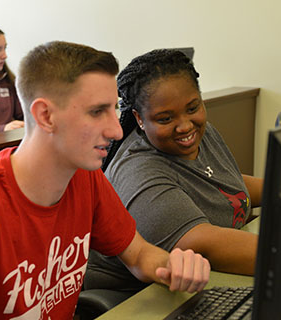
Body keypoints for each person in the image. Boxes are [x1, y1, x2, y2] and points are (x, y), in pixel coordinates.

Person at [0, 41, 210, 319]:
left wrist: (175, 266)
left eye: (114, 109)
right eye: (97, 112)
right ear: (45, 116)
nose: (116, 130)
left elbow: (138, 255)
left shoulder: (85, 178)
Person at [85, 49, 263, 293]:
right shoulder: (139, 172)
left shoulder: (199, 133)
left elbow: (224, 182)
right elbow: (201, 245)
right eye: (165, 119)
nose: (185, 125)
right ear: (139, 118)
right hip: (140, 300)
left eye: (193, 108)